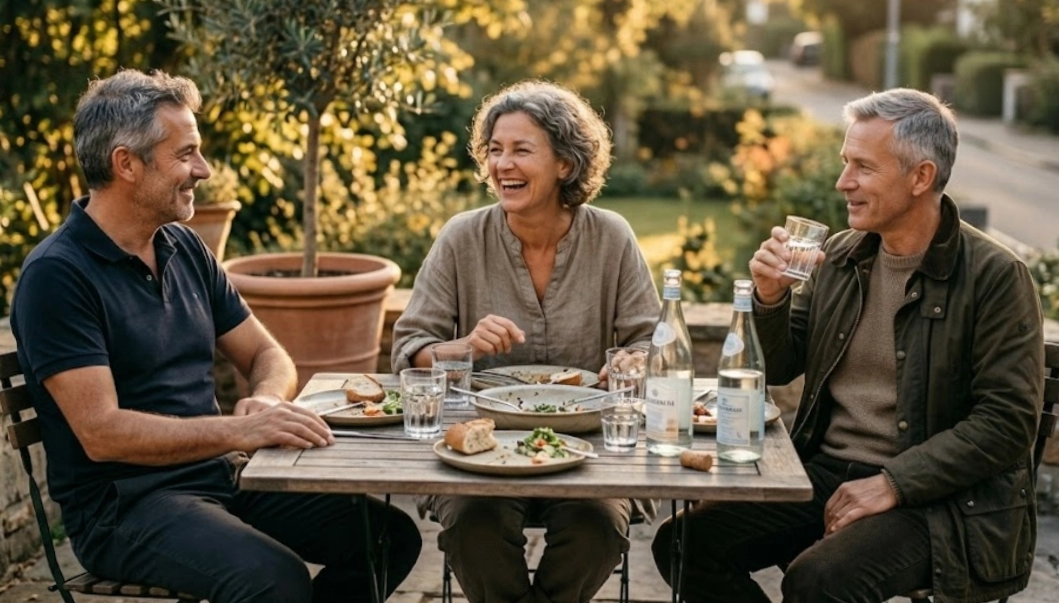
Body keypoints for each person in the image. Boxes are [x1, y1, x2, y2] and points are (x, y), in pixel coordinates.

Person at [10, 69, 422, 603]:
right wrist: (237, 433)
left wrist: (266, 400)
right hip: (125, 507)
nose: (202, 170)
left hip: (219, 478)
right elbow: (102, 432)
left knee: (388, 537)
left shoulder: (184, 247)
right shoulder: (56, 276)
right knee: (274, 579)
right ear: (125, 163)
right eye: (185, 154)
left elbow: (266, 352)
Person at [652, 88, 1044, 602]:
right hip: (828, 474)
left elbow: (1007, 421)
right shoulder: (842, 255)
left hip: (942, 503)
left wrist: (894, 483)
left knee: (819, 580)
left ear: (921, 177)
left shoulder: (995, 276)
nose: (843, 183)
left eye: (863, 167)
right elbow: (781, 365)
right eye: (844, 163)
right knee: (685, 543)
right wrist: (769, 299)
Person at [391, 80, 660, 603]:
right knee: (474, 526)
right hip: (479, 448)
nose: (502, 165)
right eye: (494, 150)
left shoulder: (612, 237)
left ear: (565, 164)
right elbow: (410, 347)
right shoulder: (462, 236)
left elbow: (651, 340)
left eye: (521, 150)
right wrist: (461, 346)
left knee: (597, 529)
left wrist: (634, 359)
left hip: (591, 447)